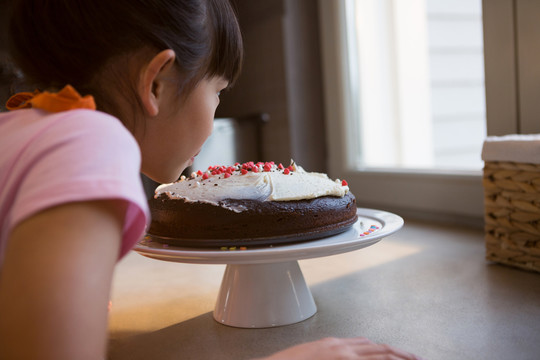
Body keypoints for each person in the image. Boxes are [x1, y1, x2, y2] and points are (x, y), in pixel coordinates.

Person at [0, 1, 422, 359]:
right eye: (218, 91)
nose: (215, 113)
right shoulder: (89, 144)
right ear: (157, 83)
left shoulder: (20, 128)